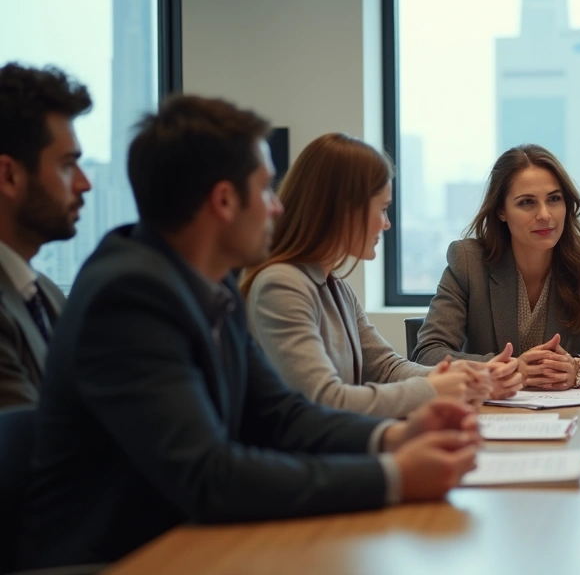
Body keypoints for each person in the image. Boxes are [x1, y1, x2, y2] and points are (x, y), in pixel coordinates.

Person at [17, 96, 482, 569]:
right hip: (118, 558)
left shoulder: (211, 282)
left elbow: (282, 415)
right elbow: (210, 474)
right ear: (223, 201)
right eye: (265, 191)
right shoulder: (131, 295)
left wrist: (393, 438)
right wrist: (394, 476)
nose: (278, 208)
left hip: (187, 539)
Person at [242, 133, 521, 418]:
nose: (386, 224)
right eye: (383, 209)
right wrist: (438, 388)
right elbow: (324, 400)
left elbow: (386, 367)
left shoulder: (335, 287)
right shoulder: (281, 285)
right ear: (344, 210)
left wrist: (464, 375)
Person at [414, 144, 580, 388]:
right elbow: (428, 354)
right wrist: (512, 369)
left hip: (566, 417)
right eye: (527, 202)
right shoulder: (468, 262)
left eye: (554, 199)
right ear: (501, 211)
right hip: (488, 415)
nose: (545, 214)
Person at [0, 63, 92, 407]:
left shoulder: (47, 295)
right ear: (9, 176)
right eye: (67, 165)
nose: (85, 183)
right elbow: (32, 452)